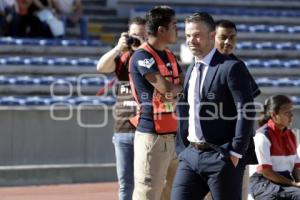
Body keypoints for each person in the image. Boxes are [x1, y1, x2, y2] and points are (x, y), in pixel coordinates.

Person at [171, 12, 255, 200]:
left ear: (211, 36)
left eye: (197, 35)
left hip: (222, 157)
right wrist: (182, 149)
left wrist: (235, 152)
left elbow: (247, 111)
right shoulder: (192, 67)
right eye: (188, 36)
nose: (191, 40)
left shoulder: (231, 67)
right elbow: (185, 108)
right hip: (190, 155)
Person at [128, 5, 183, 200]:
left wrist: (174, 89)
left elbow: (182, 83)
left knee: (171, 194)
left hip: (172, 134)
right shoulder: (142, 56)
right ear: (161, 30)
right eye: (174, 25)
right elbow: (166, 88)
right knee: (147, 195)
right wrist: (174, 90)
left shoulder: (169, 55)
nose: (178, 30)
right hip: (152, 135)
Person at [96, 16, 147, 200]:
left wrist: (142, 49)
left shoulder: (153, 57)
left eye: (142, 35)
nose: (137, 39)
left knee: (147, 183)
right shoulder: (122, 57)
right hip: (122, 129)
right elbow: (101, 67)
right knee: (126, 184)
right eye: (134, 35)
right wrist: (119, 47)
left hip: (147, 131)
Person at [214, 19, 261, 200]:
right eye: (223, 37)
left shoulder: (239, 66)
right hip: (212, 144)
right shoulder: (202, 65)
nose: (228, 42)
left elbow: (248, 106)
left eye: (232, 37)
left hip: (237, 143)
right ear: (212, 37)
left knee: (238, 193)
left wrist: (240, 144)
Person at [250, 95, 300, 200]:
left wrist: (298, 182)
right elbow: (267, 172)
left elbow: (296, 167)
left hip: (285, 181)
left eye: (291, 111)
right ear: (274, 115)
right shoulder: (262, 136)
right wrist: (294, 184)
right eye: (287, 113)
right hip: (264, 183)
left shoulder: (291, 135)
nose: (291, 116)